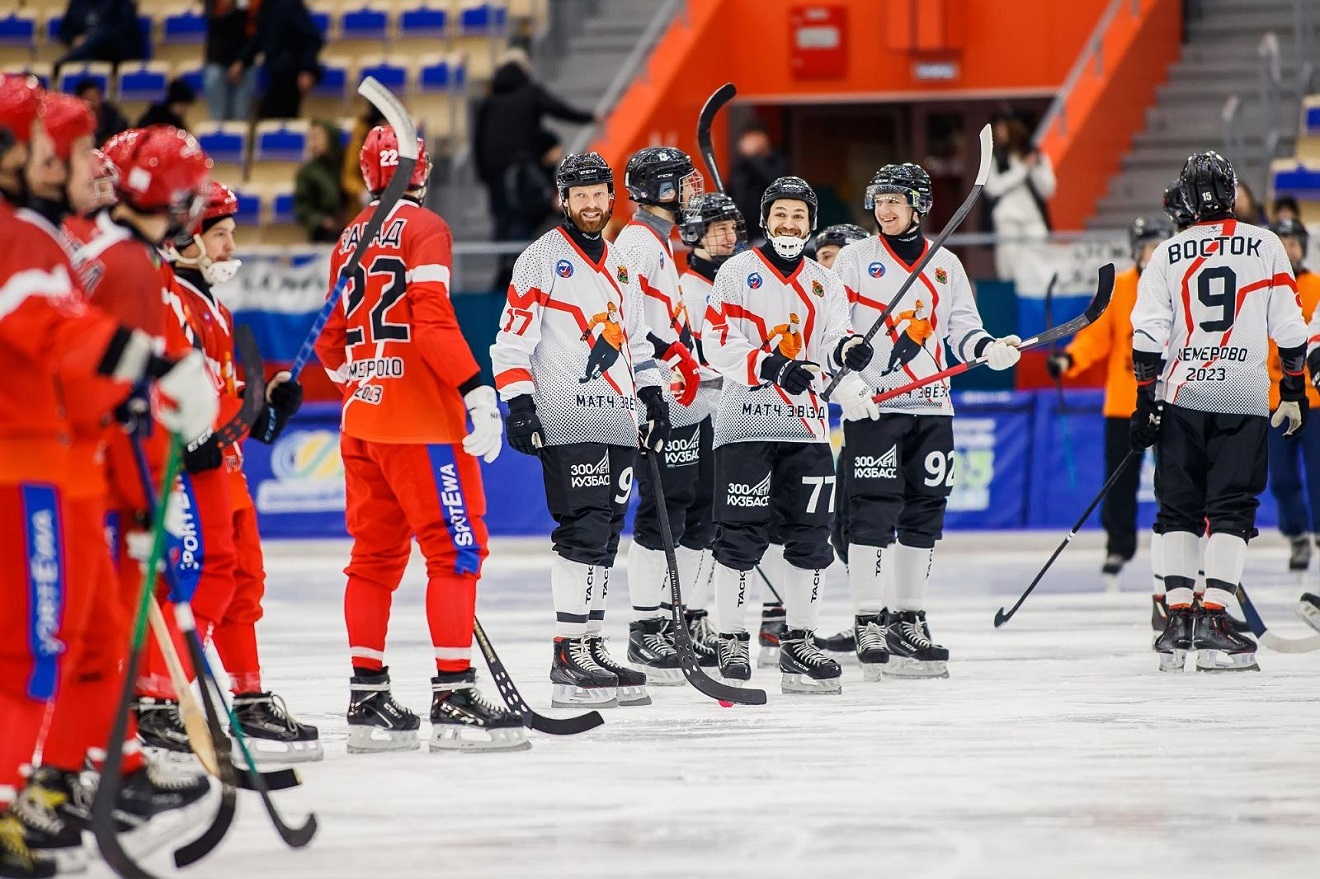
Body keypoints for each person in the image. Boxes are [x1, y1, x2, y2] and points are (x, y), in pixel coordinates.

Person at [0, 82, 219, 874]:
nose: (76, 166)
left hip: (54, 463)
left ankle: (45, 791)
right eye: (54, 149)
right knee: (34, 651)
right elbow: (52, 333)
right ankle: (14, 809)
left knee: (70, 643)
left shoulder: (47, 234)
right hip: (36, 468)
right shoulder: (27, 237)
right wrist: (156, 372)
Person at [314, 125, 520, 753]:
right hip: (420, 424)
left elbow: (329, 338)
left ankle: (367, 696)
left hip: (362, 420)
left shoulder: (349, 235)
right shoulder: (425, 229)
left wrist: (359, 374)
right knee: (455, 552)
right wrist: (475, 388)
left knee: (373, 559)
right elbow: (430, 320)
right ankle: (454, 693)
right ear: (421, 174)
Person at [489, 152, 668, 709]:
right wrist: (518, 404)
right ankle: (568, 651)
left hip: (618, 418)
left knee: (609, 532)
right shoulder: (540, 259)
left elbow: (637, 342)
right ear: (563, 200)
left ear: (611, 198)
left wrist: (653, 393)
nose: (590, 204)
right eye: (580, 195)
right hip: (567, 414)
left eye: (598, 194)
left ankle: (590, 642)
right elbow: (511, 341)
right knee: (583, 528)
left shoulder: (618, 263)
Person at [829, 163, 1021, 680]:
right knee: (871, 511)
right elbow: (831, 330)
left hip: (933, 406)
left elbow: (963, 330)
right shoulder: (853, 259)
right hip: (877, 406)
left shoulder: (946, 264)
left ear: (919, 205)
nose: (885, 210)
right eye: (879, 200)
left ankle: (907, 616)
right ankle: (869, 618)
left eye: (895, 200)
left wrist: (990, 349)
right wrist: (846, 381)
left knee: (923, 513)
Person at [701, 175, 878, 694]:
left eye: (798, 215)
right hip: (744, 425)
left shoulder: (826, 284)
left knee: (809, 538)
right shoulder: (736, 273)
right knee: (740, 536)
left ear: (810, 223)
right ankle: (732, 637)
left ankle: (800, 640)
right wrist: (772, 366)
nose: (789, 223)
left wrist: (849, 358)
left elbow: (831, 344)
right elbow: (716, 342)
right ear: (765, 219)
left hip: (806, 429)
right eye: (780, 214)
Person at [164, 180, 320, 761]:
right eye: (221, 235)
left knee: (242, 582)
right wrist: (188, 443)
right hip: (190, 473)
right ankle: (161, 699)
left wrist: (270, 408)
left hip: (227, 471)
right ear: (187, 239)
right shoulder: (172, 301)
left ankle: (248, 697)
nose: (232, 247)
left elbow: (236, 411)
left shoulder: (214, 308)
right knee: (203, 582)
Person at [1133, 151, 1307, 673]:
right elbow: (1291, 329)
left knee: (1177, 510)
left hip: (1182, 393)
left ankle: (1178, 620)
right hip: (1243, 392)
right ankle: (1214, 617)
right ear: (1233, 193)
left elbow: (1147, 335)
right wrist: (1294, 391)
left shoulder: (1166, 252)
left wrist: (1146, 400)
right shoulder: (1266, 244)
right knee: (1231, 509)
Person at [612, 147, 707, 682]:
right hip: (654, 394)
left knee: (687, 505)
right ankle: (646, 629)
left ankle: (670, 620)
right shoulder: (636, 243)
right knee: (662, 510)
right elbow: (625, 319)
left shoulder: (657, 242)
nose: (690, 190)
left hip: (677, 392)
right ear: (659, 189)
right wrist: (668, 358)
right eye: (681, 182)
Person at [1048, 215, 1173, 587]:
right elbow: (1096, 336)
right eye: (1148, 246)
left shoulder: (1179, 285)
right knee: (1119, 480)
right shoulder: (1120, 287)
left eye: (1159, 245)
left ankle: (1180, 543)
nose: (1153, 253)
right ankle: (1119, 544)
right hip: (1125, 400)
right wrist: (1070, 359)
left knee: (1177, 477)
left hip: (1173, 396)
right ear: (1137, 250)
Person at [676, 191, 746, 660]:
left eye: (730, 227)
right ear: (694, 234)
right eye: (716, 227)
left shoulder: (742, 282)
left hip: (736, 416)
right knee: (693, 520)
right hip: (693, 412)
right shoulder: (684, 288)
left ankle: (695, 612)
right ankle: (681, 614)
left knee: (721, 523)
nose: (727, 235)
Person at [472, 49, 597, 291]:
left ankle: (504, 273)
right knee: (525, 223)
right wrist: (589, 117)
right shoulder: (530, 94)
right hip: (523, 172)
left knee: (502, 223)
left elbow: (477, 140)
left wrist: (483, 175)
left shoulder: (489, 102)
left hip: (495, 175)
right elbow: (558, 109)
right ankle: (523, 277)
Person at [1268, 219, 1320, 576]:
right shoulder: (1262, 287)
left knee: (1318, 474)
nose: (1290, 248)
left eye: (1294, 241)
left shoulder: (1316, 284)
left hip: (1314, 397)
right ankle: (1298, 535)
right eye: (1282, 242)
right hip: (1275, 397)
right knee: (1282, 477)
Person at [985, 114, 1055, 289]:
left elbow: (1048, 189)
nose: (999, 133)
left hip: (1032, 217)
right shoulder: (996, 157)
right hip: (1007, 218)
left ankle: (1038, 304)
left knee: (1040, 263)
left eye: (1003, 128)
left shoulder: (1035, 155)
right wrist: (1022, 169)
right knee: (1009, 269)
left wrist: (1035, 167)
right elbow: (992, 188)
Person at [239, 0, 324, 120]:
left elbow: (312, 38)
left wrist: (306, 69)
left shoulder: (288, 5)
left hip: (290, 73)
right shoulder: (267, 6)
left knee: (276, 117)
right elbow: (260, 36)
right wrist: (242, 60)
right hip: (276, 73)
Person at [726, 124, 788, 247]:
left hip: (766, 227)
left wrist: (753, 157)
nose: (750, 143)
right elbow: (732, 189)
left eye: (754, 138)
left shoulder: (777, 160)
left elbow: (772, 181)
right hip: (742, 228)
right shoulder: (740, 165)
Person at [203, 0, 263, 122]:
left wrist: (241, 61)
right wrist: (236, 8)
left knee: (240, 118)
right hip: (217, 62)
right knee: (218, 119)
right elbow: (214, 23)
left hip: (246, 64)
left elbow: (260, 31)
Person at [294, 119, 345, 243]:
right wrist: (321, 221)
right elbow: (302, 207)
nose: (313, 143)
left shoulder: (346, 165)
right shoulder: (307, 172)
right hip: (324, 234)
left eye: (317, 137)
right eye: (311, 138)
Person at [55, 0, 147, 67]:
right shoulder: (76, 3)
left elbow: (125, 28)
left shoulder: (121, 2)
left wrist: (89, 38)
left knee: (101, 33)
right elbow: (64, 32)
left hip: (115, 53)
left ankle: (63, 63)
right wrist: (73, 39)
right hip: (87, 55)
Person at [74, 78, 129, 146]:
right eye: (88, 98)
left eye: (95, 97)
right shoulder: (73, 122)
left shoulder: (114, 119)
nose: (93, 102)